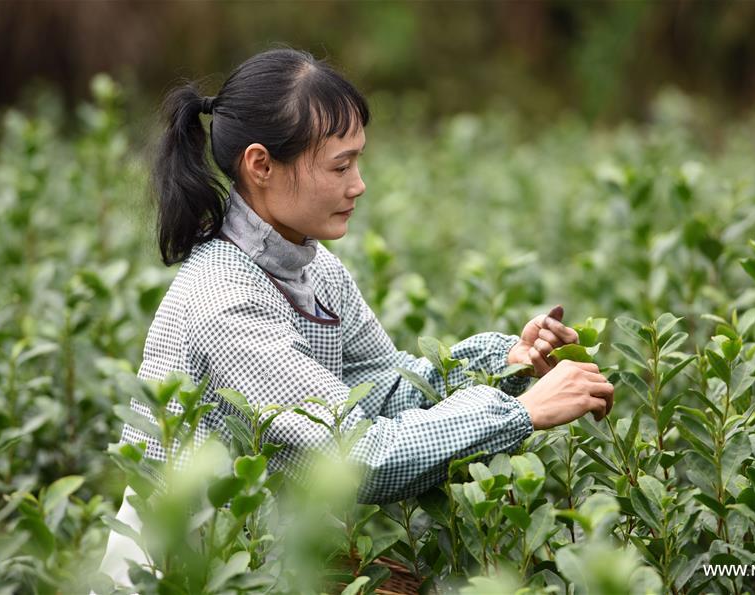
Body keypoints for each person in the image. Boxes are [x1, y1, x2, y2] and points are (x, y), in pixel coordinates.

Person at [99, 47, 613, 586]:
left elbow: (384, 390)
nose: (358, 184)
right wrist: (523, 414)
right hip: (183, 572)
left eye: (357, 161)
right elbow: (359, 456)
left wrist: (505, 363)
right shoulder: (224, 302)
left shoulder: (313, 267)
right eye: (340, 165)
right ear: (260, 165)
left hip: (259, 562)